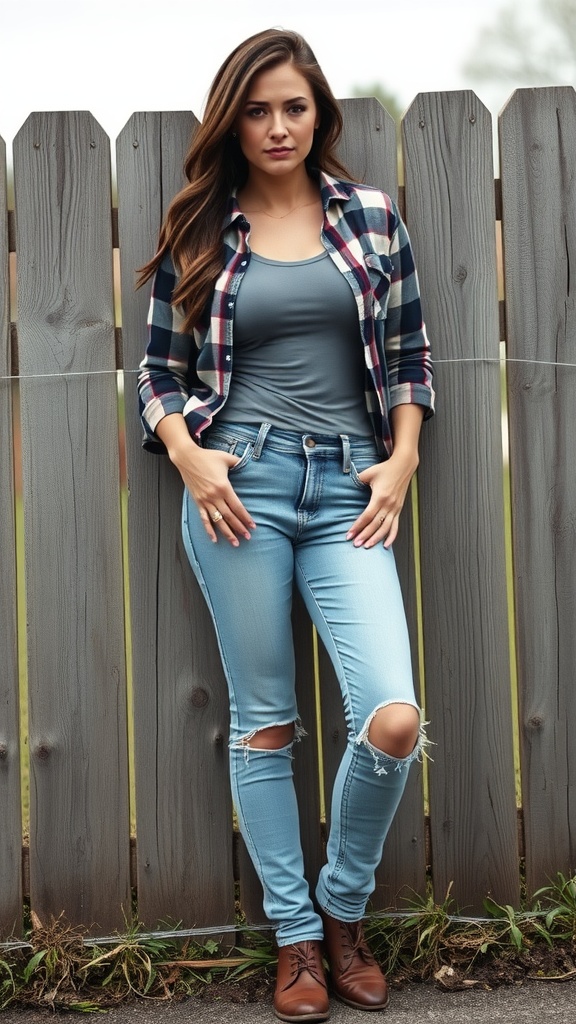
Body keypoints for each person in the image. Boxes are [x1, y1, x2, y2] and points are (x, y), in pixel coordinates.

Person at [137, 27, 434, 1023]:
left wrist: (401, 458)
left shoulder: (374, 220)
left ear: (321, 115)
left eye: (294, 107)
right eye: (257, 109)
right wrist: (187, 452)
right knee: (264, 725)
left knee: (392, 716)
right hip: (239, 490)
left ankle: (343, 908)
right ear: (235, 117)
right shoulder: (201, 229)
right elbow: (157, 374)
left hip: (350, 493)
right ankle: (299, 941)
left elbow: (408, 358)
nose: (276, 126)